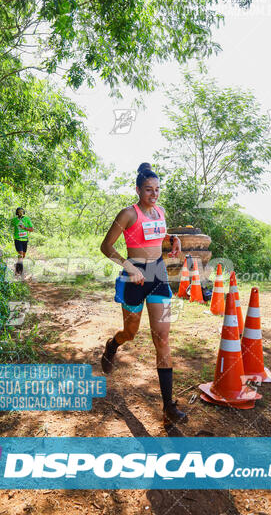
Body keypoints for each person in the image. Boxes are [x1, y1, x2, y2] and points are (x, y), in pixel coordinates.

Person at [100, 164, 187, 425]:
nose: (154, 194)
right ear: (138, 190)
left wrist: (173, 239)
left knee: (162, 338)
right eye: (148, 190)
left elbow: (156, 235)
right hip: (134, 276)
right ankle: (113, 345)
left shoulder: (160, 211)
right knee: (130, 333)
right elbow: (106, 246)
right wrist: (128, 266)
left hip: (158, 275)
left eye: (157, 189)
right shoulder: (127, 213)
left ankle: (168, 407)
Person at [10, 208, 33, 275]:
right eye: (19, 212)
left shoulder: (27, 219)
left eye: (22, 212)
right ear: (17, 213)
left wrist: (24, 228)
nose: (20, 213)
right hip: (17, 239)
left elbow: (32, 229)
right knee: (20, 254)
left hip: (25, 240)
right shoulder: (14, 220)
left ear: (24, 212)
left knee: (23, 256)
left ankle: (17, 267)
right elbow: (9, 227)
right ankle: (20, 272)